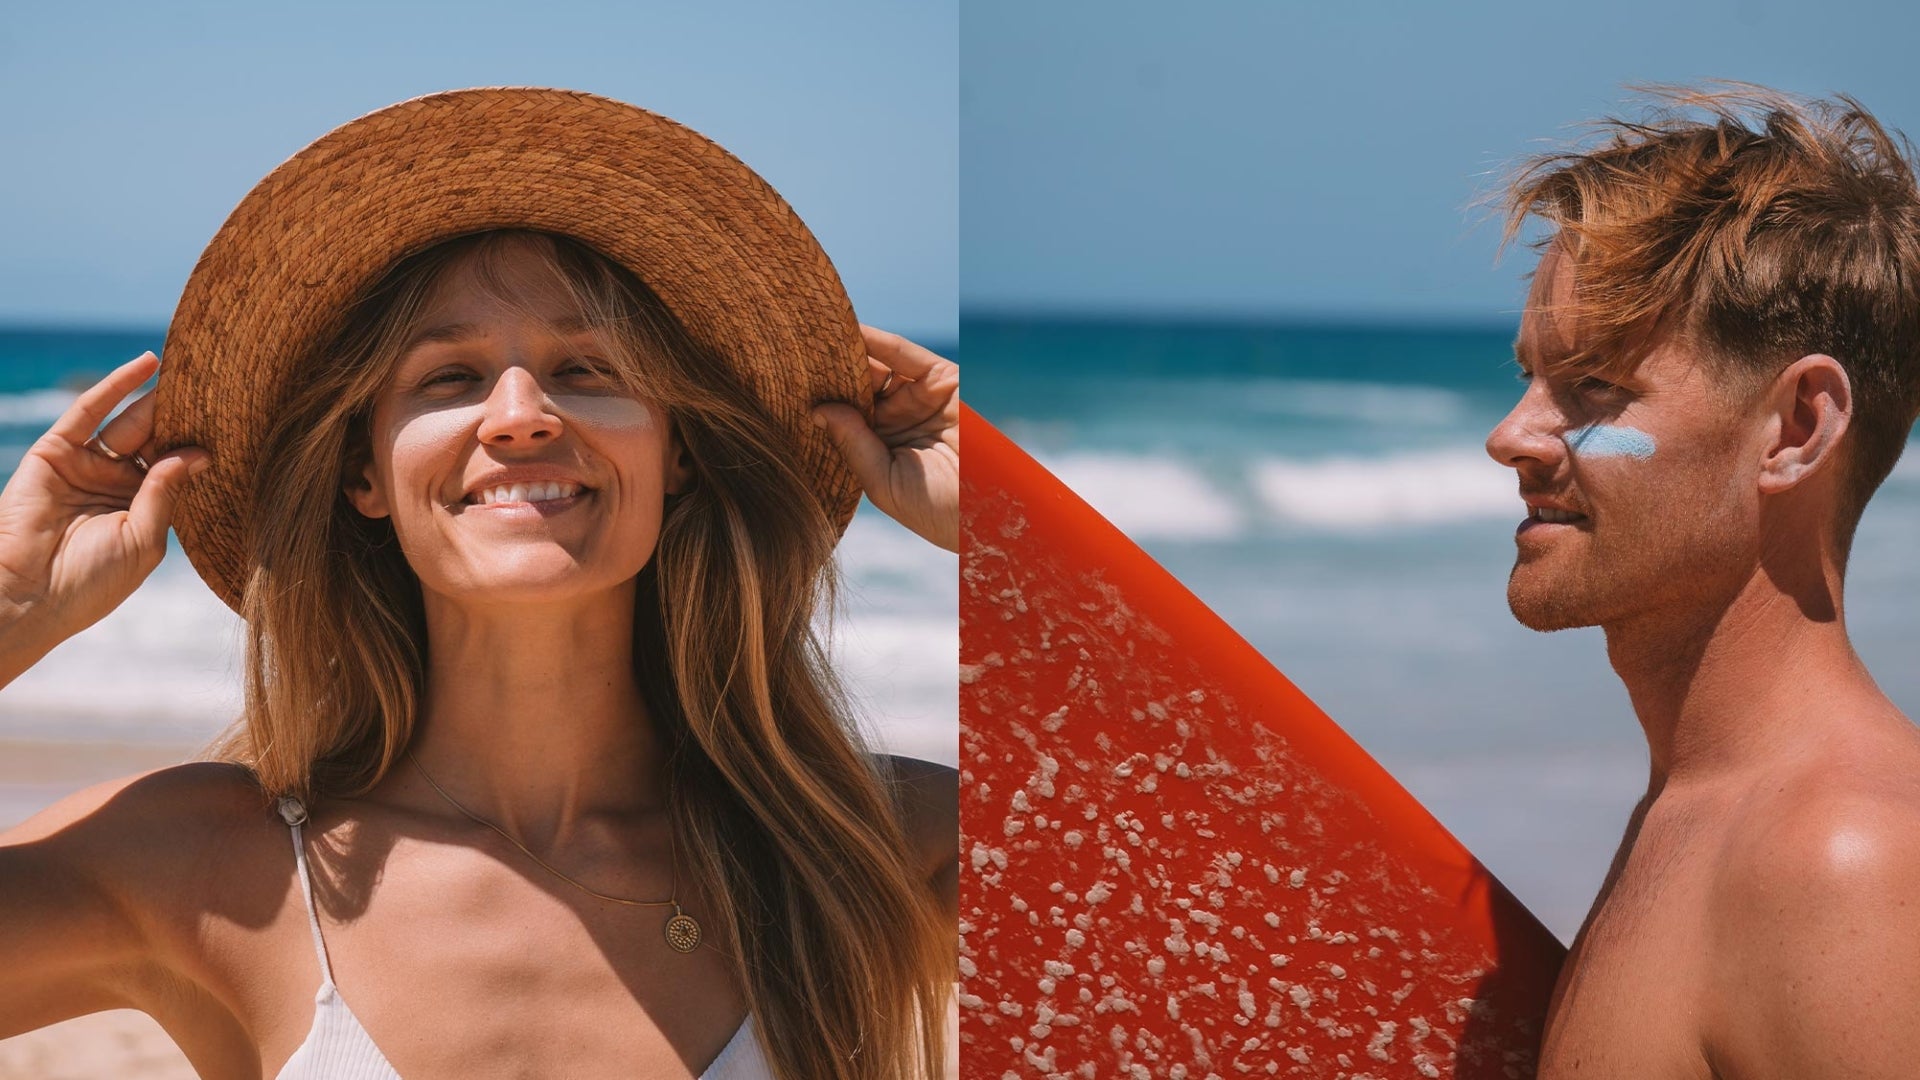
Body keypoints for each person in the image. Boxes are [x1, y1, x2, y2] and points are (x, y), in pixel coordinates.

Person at [0, 89, 957, 1080]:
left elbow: (1134, 883)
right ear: (364, 475)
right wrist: (10, 605)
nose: (521, 416)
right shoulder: (206, 866)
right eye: (448, 379)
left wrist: (1012, 532)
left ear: (678, 455)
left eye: (588, 367)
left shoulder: (864, 853)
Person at [1487, 85, 1920, 1075]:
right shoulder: (1696, 809)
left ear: (1800, 427)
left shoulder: (1843, 865)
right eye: (1527, 378)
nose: (1509, 435)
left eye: (1594, 386)